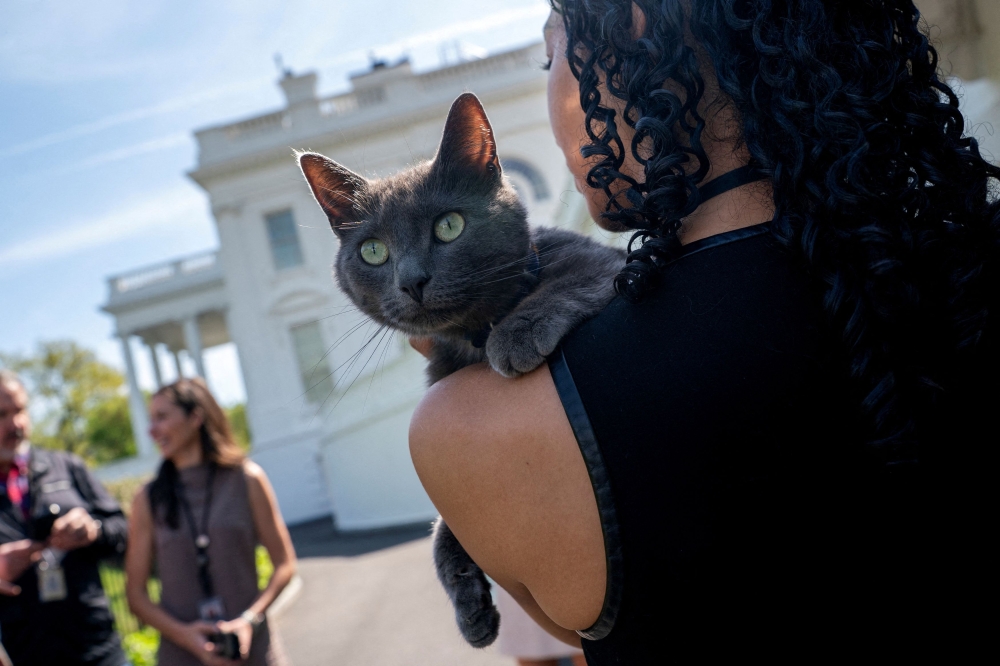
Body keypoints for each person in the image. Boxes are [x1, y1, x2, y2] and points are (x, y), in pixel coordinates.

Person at [410, 1, 997, 663]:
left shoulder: (473, 427)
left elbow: (567, 629)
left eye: (553, 57)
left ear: (628, 29)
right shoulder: (971, 268)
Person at [126, 378, 296, 666]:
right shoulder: (147, 499)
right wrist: (186, 637)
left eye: (162, 417)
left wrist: (248, 620)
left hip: (253, 653)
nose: (152, 430)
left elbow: (285, 564)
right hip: (181, 658)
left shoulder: (247, 479)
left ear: (196, 417)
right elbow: (135, 596)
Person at [0, 369, 129, 666]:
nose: (15, 424)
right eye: (1, 414)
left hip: (95, 645)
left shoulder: (66, 466)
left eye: (20, 410)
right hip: (25, 651)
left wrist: (92, 530)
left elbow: (122, 531)